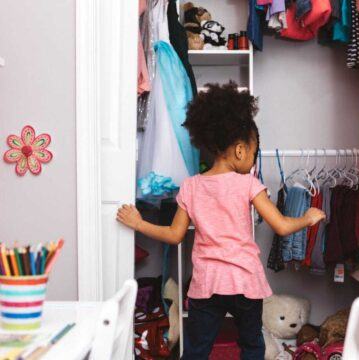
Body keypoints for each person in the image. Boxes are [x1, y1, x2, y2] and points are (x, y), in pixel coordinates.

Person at [117, 82, 325, 360]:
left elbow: (175, 235)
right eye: (253, 154)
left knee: (197, 349)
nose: (252, 161)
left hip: (207, 284)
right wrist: (308, 218)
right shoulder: (248, 184)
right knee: (252, 345)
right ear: (240, 150)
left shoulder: (190, 187)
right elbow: (282, 226)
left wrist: (139, 223)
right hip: (244, 281)